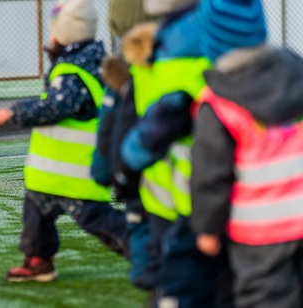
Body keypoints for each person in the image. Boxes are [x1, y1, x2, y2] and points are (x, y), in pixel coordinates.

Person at [0, 0, 128, 282]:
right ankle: (38, 261)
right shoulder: (81, 66)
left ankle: (153, 255)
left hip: (75, 177)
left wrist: (15, 113)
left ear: (66, 36)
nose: (50, 38)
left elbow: (56, 107)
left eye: (55, 31)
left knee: (101, 221)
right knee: (35, 217)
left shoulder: (72, 74)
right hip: (50, 178)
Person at [118, 0, 233, 306]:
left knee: (179, 283)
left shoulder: (152, 68)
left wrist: (121, 172)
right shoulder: (227, 61)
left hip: (170, 199)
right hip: (219, 203)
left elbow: (139, 137)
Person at [191, 0, 303, 307]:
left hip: (260, 233)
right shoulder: (295, 69)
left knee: (266, 298)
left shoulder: (217, 102)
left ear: (211, 41)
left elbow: (210, 174)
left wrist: (207, 228)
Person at [92, 0, 156, 293]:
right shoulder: (187, 63)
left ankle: (152, 285)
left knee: (142, 231)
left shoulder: (122, 77)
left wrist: (104, 172)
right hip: (186, 187)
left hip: (140, 181)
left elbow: (108, 130)